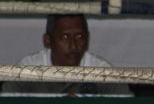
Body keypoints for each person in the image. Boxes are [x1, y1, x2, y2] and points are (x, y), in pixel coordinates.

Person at [1, 14, 132, 98]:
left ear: (87, 39)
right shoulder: (29, 69)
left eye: (79, 37)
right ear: (47, 40)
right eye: (65, 37)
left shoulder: (102, 71)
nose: (73, 46)